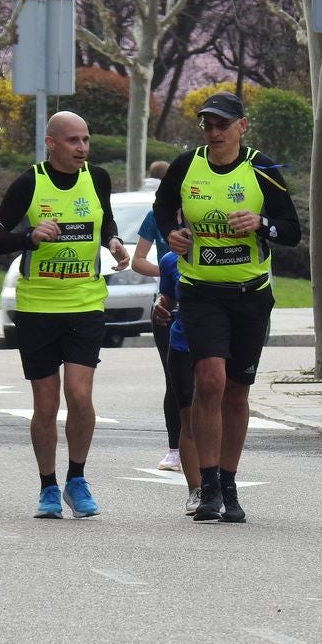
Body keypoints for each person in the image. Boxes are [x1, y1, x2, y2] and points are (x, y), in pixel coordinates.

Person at [153, 91, 301, 523]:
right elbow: (163, 208)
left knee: (237, 390)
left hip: (251, 295)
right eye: (207, 124)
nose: (214, 132)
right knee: (209, 379)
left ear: (242, 126)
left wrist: (261, 223)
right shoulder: (186, 166)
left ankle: (231, 485)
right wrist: (172, 234)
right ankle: (208, 485)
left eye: (222, 124)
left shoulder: (262, 168)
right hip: (199, 292)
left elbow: (291, 230)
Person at [0, 111, 129, 519]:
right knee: (45, 405)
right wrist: (28, 236)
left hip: (85, 302)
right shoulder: (30, 182)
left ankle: (76, 479)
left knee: (79, 395)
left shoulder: (96, 178)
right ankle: (47, 485)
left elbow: (104, 218)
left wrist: (112, 240)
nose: (82, 148)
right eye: (73, 141)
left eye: (86, 139)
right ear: (51, 143)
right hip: (38, 307)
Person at [132, 176, 178, 471]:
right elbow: (138, 260)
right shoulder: (155, 217)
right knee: (175, 380)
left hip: (205, 302)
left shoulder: (205, 215)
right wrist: (167, 272)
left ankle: (204, 446)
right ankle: (174, 450)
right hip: (165, 305)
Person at [152, 249, 202, 513]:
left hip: (218, 344)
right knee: (188, 414)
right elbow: (167, 298)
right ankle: (196, 490)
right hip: (181, 343)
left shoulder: (231, 253)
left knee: (217, 411)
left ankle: (221, 484)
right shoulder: (171, 260)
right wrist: (161, 305)